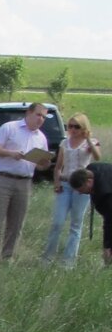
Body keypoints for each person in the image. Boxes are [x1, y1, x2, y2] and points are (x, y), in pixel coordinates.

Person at [0, 101, 50, 260]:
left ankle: (7, 257)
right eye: (38, 115)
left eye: (44, 117)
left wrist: (44, 164)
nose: (41, 119)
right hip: (3, 179)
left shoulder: (41, 138)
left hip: (24, 182)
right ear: (28, 113)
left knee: (16, 224)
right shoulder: (10, 127)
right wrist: (11, 153)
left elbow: (40, 166)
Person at [43, 113, 101, 267]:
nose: (73, 130)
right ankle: (48, 257)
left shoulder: (91, 143)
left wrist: (88, 139)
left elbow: (97, 157)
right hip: (66, 183)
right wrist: (56, 182)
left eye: (77, 126)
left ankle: (68, 261)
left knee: (76, 224)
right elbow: (58, 166)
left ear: (84, 128)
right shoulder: (65, 143)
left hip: (82, 186)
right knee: (58, 222)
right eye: (70, 126)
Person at [67, 160, 112, 263]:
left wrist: (107, 247)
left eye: (81, 190)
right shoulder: (93, 168)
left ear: (89, 182)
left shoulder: (105, 195)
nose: (80, 193)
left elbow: (109, 222)